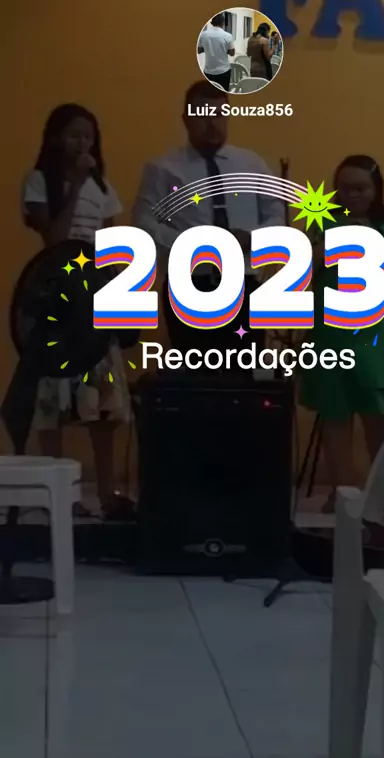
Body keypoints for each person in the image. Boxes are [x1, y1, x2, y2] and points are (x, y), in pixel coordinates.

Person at [21, 103, 133, 519]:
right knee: (53, 401)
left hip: (93, 298)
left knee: (103, 401)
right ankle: (61, 497)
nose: (81, 142)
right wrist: (75, 187)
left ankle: (105, 494)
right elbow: (53, 239)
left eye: (88, 135)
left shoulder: (103, 188)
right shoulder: (39, 181)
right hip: (55, 296)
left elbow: (111, 243)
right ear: (55, 138)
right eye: (73, 134)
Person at [132, 79, 286, 360]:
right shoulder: (163, 168)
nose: (213, 124)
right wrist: (191, 244)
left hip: (245, 285)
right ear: (186, 119)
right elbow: (144, 223)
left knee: (244, 368)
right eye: (203, 116)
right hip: (190, 285)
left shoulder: (251, 164)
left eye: (219, 115)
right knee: (194, 369)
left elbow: (277, 214)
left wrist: (253, 237)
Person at [299, 155, 384, 513]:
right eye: (345, 188)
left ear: (376, 189)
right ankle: (342, 492)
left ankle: (381, 492)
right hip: (330, 331)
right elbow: (300, 273)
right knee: (335, 411)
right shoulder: (322, 223)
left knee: (379, 412)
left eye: (361, 188)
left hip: (377, 332)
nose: (352, 195)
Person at [197, 13, 235, 92]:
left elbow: (199, 50)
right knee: (223, 93)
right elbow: (232, 53)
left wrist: (208, 48)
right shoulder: (228, 35)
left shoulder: (203, 35)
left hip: (208, 71)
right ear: (223, 23)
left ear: (212, 23)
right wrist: (223, 49)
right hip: (224, 71)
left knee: (210, 93)